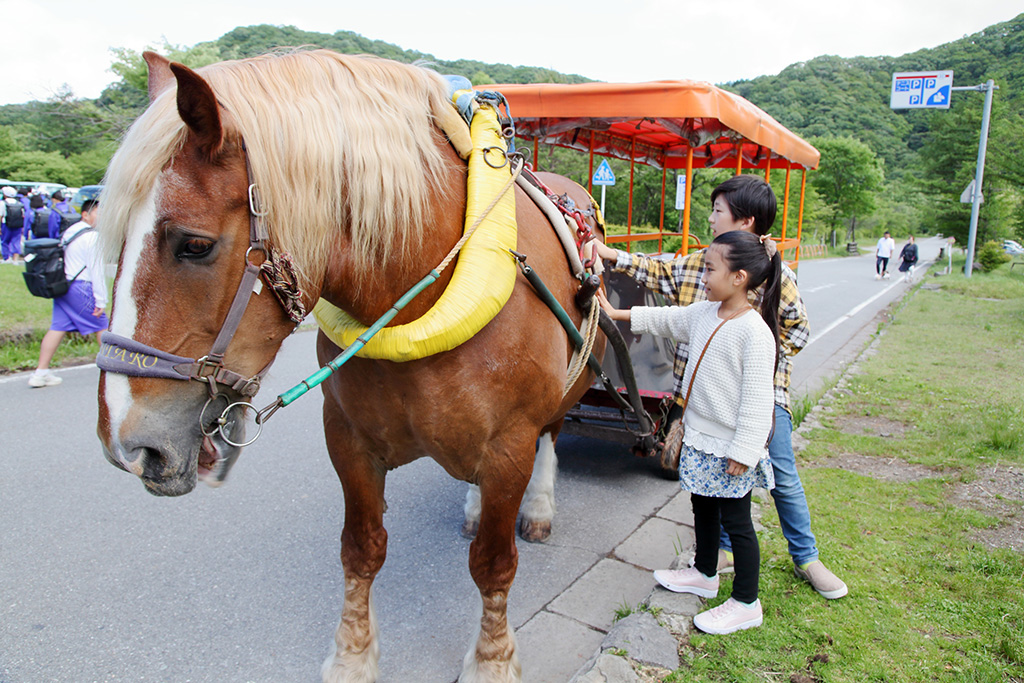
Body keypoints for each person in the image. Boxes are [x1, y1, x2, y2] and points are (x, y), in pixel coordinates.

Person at [594, 174, 847, 601]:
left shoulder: (770, 278)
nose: (709, 218)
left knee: (777, 472)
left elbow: (798, 334)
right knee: (707, 486)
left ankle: (806, 557)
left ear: (745, 221)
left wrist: (746, 353)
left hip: (757, 396)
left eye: (718, 211)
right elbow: (661, 279)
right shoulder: (703, 263)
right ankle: (717, 558)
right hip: (701, 399)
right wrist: (609, 254)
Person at [599, 230, 779, 634]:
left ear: (740, 278)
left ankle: (747, 602)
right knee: (703, 507)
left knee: (737, 522)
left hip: (731, 445)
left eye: (711, 269)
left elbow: (756, 400)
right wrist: (617, 313)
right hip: (699, 437)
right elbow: (666, 319)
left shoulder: (755, 332)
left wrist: (745, 451)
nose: (703, 277)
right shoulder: (704, 313)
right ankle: (704, 572)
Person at [28, 198, 108, 388]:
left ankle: (41, 372)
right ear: (85, 214)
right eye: (98, 213)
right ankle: (114, 371)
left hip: (64, 286)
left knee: (57, 327)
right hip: (82, 287)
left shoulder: (70, 232)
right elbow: (95, 269)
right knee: (102, 327)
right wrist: (101, 299)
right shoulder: (92, 237)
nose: (101, 217)